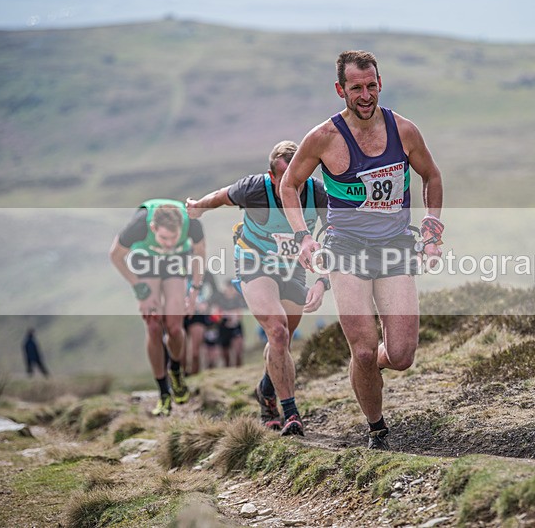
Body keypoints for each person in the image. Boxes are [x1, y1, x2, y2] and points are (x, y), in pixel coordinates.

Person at [279, 50, 444, 450]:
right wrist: (303, 235)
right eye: (356, 88)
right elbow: (288, 185)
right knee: (366, 351)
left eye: (371, 85)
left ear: (380, 84)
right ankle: (377, 428)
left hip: (393, 247)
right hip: (345, 248)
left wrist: (432, 228)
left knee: (401, 355)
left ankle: (364, 366)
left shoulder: (404, 130)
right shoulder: (323, 138)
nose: (365, 95)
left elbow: (432, 176)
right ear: (342, 90)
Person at [186, 140, 329, 436]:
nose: (292, 185)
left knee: (283, 341)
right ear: (272, 175)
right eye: (285, 178)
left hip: (293, 269)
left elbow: (334, 235)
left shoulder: (317, 192)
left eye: (298, 178)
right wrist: (198, 207)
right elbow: (221, 196)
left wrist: (322, 280)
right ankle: (289, 413)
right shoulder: (255, 189)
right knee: (276, 331)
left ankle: (265, 390)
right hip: (255, 263)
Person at [109, 199, 205, 416]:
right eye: (163, 237)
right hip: (147, 261)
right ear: (153, 229)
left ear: (181, 228)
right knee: (153, 326)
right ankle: (163, 392)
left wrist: (194, 290)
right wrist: (139, 289)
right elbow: (115, 255)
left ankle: (176, 370)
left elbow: (200, 253)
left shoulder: (192, 222)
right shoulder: (139, 225)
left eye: (174, 237)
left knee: (174, 326)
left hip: (175, 263)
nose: (169, 242)